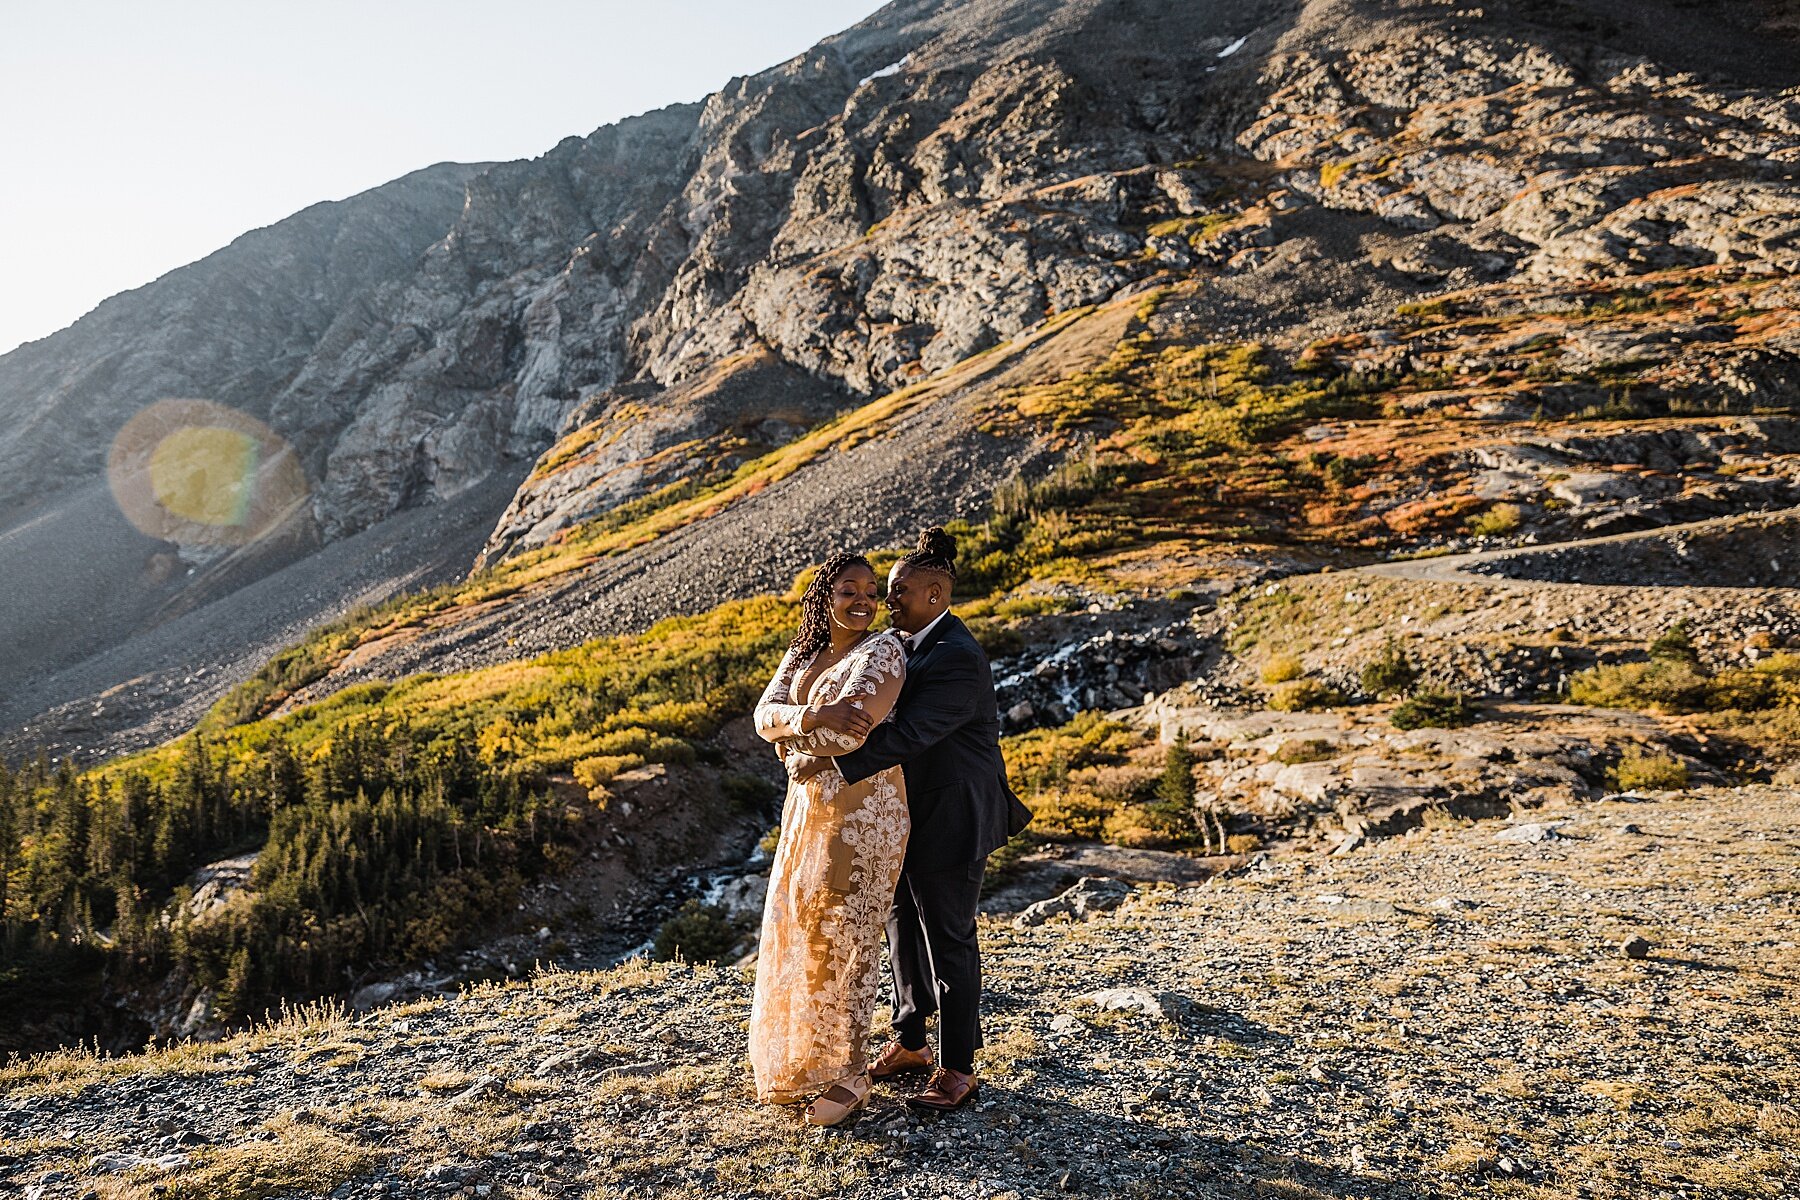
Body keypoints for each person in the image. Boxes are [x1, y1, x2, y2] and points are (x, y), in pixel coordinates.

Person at [788, 527, 1031, 1113]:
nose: (886, 602)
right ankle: (911, 1041)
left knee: (949, 938)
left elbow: (911, 732)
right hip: (904, 810)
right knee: (900, 921)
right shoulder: (907, 642)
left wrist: (825, 760)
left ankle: (957, 1067)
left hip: (952, 813)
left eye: (896, 592)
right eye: (883, 591)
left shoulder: (957, 657)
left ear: (935, 596)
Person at [748, 552, 909, 1127]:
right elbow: (763, 718)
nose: (864, 600)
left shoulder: (885, 650)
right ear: (826, 595)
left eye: (872, 591)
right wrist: (814, 719)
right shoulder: (804, 651)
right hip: (809, 807)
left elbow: (850, 740)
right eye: (849, 589)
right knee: (805, 927)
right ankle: (804, 1061)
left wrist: (794, 736)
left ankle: (852, 1071)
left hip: (865, 810)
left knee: (848, 935)